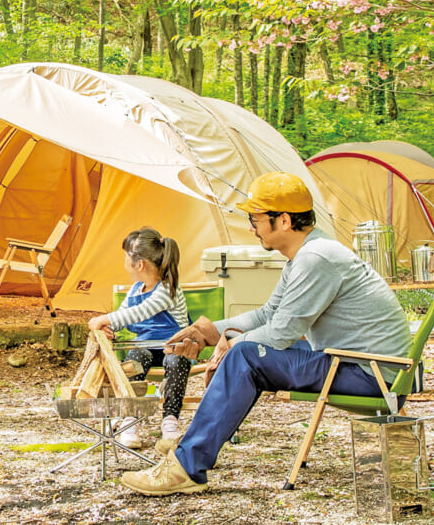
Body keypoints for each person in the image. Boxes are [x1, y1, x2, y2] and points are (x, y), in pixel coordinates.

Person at [120, 171, 412, 496]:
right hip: (353, 363)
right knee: (244, 353)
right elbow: (269, 314)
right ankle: (191, 453)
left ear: (284, 220)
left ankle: (187, 466)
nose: (250, 227)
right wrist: (210, 332)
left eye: (255, 218)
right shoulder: (306, 255)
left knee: (245, 355)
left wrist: (231, 345)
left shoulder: (315, 259)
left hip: (370, 373)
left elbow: (282, 333)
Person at [87, 228, 192, 452]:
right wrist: (109, 327)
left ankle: (170, 420)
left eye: (127, 257)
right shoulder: (135, 290)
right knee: (134, 361)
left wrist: (101, 318)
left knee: (176, 361)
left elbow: (138, 313)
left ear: (140, 264)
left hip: (171, 347)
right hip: (144, 347)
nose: (124, 262)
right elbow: (122, 317)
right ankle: (129, 420)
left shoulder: (167, 290)